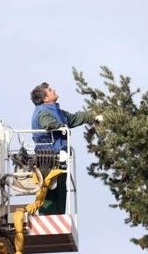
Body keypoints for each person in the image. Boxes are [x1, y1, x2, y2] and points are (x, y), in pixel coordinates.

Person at [30, 82, 101, 215]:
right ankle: (48, 221)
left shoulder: (56, 111)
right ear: (45, 98)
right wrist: (60, 126)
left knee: (60, 190)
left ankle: (58, 217)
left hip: (59, 157)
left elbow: (74, 118)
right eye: (50, 90)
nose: (54, 90)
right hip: (48, 158)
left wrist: (94, 115)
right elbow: (47, 123)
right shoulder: (43, 112)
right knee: (49, 192)